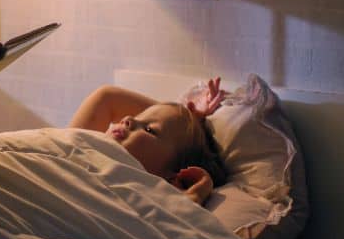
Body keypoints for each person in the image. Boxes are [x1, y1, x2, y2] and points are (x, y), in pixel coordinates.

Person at [69, 77, 227, 206]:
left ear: (175, 179)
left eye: (149, 129)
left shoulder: (144, 203)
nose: (127, 118)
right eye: (138, 117)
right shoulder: (75, 148)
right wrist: (189, 120)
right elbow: (107, 96)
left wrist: (196, 194)